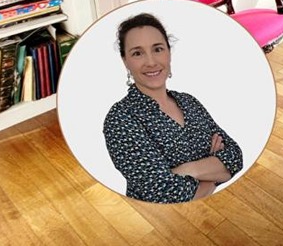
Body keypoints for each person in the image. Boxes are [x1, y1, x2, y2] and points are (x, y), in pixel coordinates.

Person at [103, 13, 243, 203]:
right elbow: (162, 195)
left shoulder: (189, 101)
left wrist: (188, 170)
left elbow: (235, 156)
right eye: (137, 53)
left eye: (158, 49)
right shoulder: (120, 119)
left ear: (169, 52)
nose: (151, 62)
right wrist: (214, 172)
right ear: (125, 61)